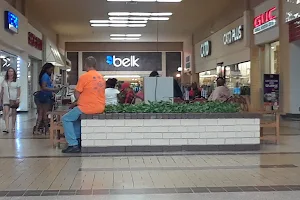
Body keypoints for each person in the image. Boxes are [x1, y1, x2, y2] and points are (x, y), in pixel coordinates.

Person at [62, 56, 106, 153]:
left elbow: (77, 92)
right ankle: (77, 139)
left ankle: (73, 144)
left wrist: (77, 101)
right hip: (100, 107)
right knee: (76, 118)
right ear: (95, 65)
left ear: (86, 65)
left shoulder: (84, 77)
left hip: (86, 107)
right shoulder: (101, 77)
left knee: (65, 118)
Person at [34, 63, 58, 134]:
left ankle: (37, 129)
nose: (51, 71)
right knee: (45, 114)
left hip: (41, 97)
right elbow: (44, 87)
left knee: (41, 114)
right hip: (46, 97)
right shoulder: (46, 76)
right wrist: (53, 89)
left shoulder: (43, 76)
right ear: (47, 69)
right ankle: (47, 130)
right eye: (51, 70)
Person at [0, 67, 20, 133]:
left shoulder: (17, 81)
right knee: (6, 113)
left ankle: (13, 126)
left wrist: (18, 98)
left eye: (11, 71)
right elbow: (2, 90)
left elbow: (18, 90)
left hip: (14, 98)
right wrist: (1, 98)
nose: (10, 73)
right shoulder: (4, 81)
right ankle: (7, 128)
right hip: (6, 98)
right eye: (9, 71)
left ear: (14, 73)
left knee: (14, 113)